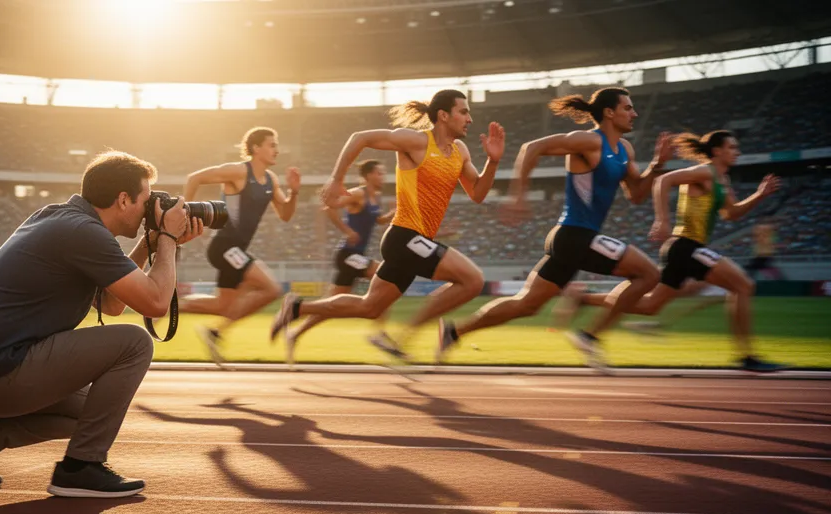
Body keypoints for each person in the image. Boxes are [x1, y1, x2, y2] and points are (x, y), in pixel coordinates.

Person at [0, 151, 204, 498]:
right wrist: (168, 240)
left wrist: (150, 242)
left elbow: (110, 305)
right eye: (145, 200)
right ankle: (81, 467)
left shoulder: (62, 220)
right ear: (123, 199)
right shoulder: (84, 233)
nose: (147, 210)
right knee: (135, 342)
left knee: (93, 413)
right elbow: (155, 303)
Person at [436, 87, 671, 370]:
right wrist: (518, 194)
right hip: (575, 234)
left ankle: (454, 332)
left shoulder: (625, 150)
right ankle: (590, 336)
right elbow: (531, 148)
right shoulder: (588, 141)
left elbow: (636, 194)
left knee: (526, 305)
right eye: (628, 108)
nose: (634, 114)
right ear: (609, 112)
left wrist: (657, 166)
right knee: (648, 274)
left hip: (574, 238)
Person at [270, 89, 505, 362]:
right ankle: (416, 335)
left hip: (412, 241)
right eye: (463, 112)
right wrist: (336, 180)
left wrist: (493, 161)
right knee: (472, 280)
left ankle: (298, 307)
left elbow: (477, 194)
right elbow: (360, 138)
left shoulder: (460, 152)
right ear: (443, 115)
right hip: (404, 237)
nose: (470, 119)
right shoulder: (416, 142)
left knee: (369, 307)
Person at [553, 131, 784, 372]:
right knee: (743, 286)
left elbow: (731, 213)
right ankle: (747, 355)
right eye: (732, 147)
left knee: (650, 306)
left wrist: (759, 194)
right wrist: (662, 220)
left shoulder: (721, 181)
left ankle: (586, 302)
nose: (737, 152)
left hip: (687, 249)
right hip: (685, 247)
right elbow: (664, 181)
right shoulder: (704, 171)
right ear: (717, 151)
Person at [178, 127, 301, 367]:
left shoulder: (271, 180)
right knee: (271, 288)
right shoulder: (238, 171)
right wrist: (186, 214)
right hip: (225, 246)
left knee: (223, 305)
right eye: (272, 144)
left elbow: (285, 214)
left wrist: (294, 192)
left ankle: (171, 309)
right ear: (256, 148)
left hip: (236, 249)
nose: (277, 150)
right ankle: (218, 333)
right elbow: (195, 178)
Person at [284, 159, 396, 366]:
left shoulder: (375, 197)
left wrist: (394, 212)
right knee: (387, 275)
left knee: (328, 308)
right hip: (347, 255)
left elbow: (378, 220)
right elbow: (328, 208)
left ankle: (294, 330)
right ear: (369, 175)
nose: (383, 176)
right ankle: (379, 333)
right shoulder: (358, 193)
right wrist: (347, 231)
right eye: (380, 173)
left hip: (354, 257)